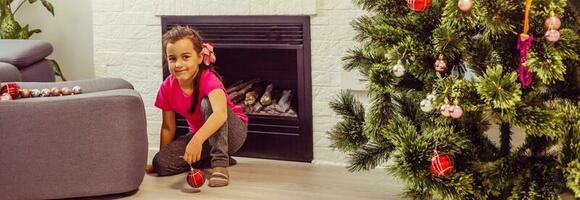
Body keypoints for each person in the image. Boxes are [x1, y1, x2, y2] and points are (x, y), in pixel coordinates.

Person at [146, 25, 248, 187]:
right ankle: (208, 158)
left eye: (185, 57)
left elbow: (220, 114)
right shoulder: (167, 87)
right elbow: (167, 127)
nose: (178, 64)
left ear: (200, 57)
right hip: (201, 136)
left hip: (232, 133)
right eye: (172, 58)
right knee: (161, 164)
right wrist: (163, 155)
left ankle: (220, 164)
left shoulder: (209, 79)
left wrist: (196, 141)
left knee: (207, 104)